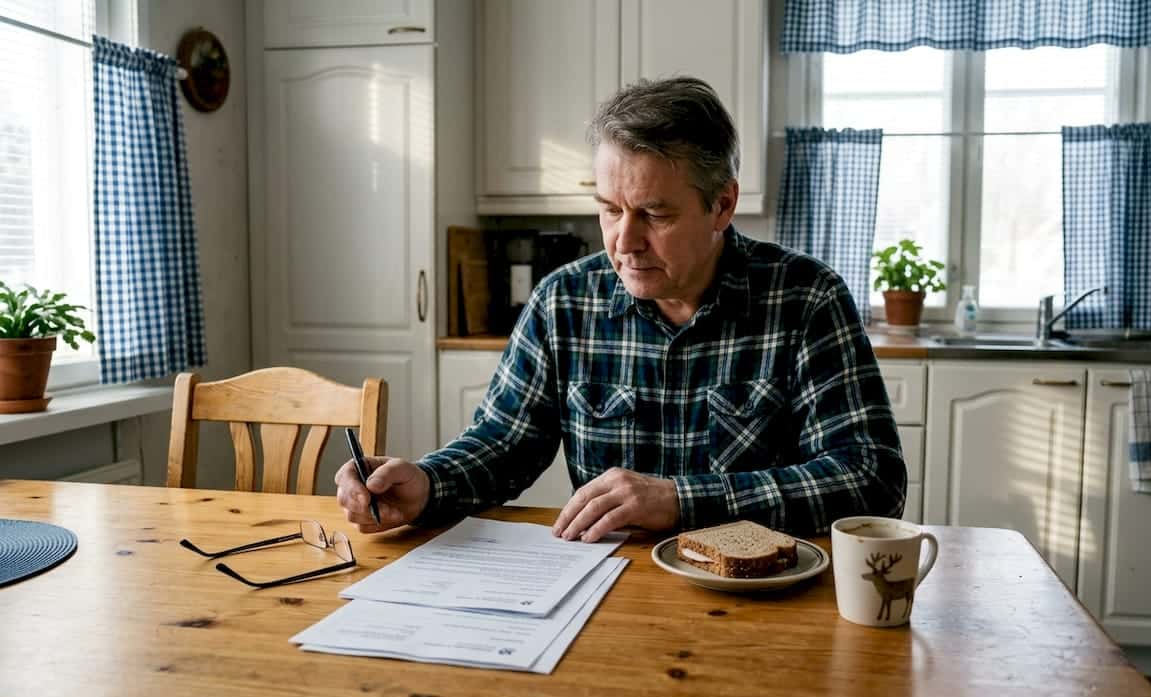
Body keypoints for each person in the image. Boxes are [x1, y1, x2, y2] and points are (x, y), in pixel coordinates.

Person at [335, 76, 906, 541]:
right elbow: (504, 443)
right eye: (609, 209)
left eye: (654, 215)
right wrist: (427, 484)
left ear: (722, 205)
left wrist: (681, 500)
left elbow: (871, 478)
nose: (623, 242)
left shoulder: (807, 299)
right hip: (603, 589)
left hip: (764, 594)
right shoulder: (564, 301)